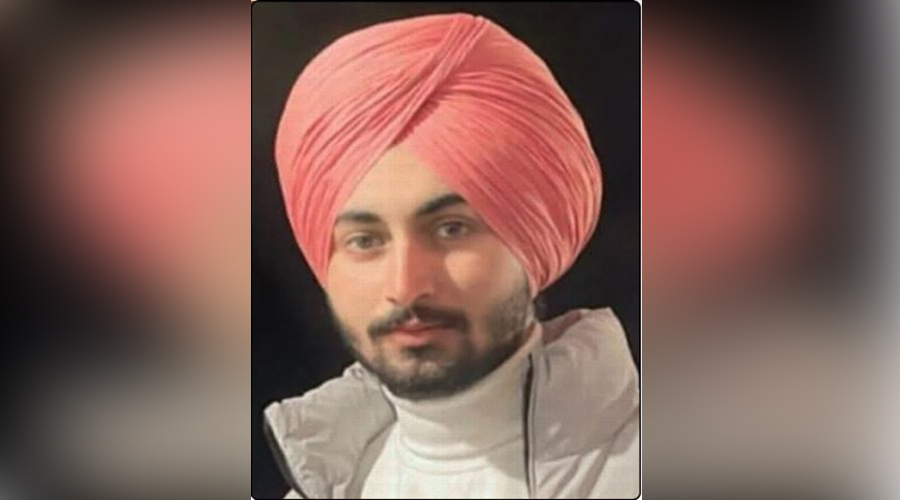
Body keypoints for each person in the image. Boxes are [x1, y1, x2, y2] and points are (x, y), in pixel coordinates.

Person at [264, 12, 639, 499]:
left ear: (533, 240)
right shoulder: (326, 485)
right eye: (365, 241)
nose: (405, 287)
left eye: (451, 230)